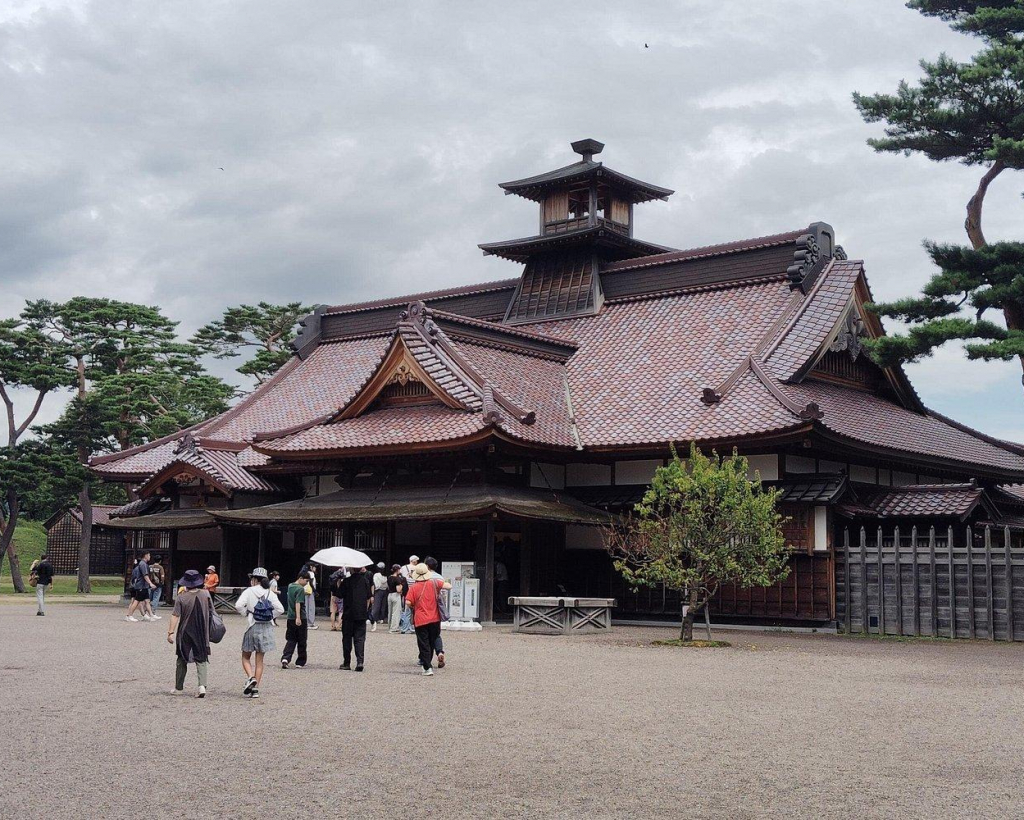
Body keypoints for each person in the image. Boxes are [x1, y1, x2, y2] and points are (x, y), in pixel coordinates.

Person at [234, 567, 284, 699]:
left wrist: (246, 613)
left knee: (246, 656)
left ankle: (251, 677)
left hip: (252, 625)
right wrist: (270, 616)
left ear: (254, 579)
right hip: (266, 627)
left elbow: (238, 605)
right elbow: (280, 609)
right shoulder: (270, 593)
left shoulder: (249, 591)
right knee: (260, 661)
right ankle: (255, 689)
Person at [167, 569, 213, 698]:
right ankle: (202, 686)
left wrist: (170, 632)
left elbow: (175, 615)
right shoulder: (206, 594)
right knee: (201, 658)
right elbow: (211, 611)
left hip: (185, 631)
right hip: (202, 631)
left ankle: (179, 687)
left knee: (182, 658)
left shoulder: (181, 597)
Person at [405, 563, 451, 676]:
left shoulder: (414, 588)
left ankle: (427, 667)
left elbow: (408, 602)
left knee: (423, 643)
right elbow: (448, 586)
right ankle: (432, 659)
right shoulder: (434, 583)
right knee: (432, 641)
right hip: (435, 618)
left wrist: (414, 606)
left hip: (420, 619)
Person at [338, 565, 373, 672]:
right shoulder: (365, 581)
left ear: (352, 569)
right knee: (360, 639)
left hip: (348, 613)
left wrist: (339, 582)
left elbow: (339, 594)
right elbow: (369, 596)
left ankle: (347, 662)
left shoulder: (346, 581)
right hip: (361, 614)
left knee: (347, 638)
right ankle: (360, 661)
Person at [281, 570, 311, 669]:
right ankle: (300, 661)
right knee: (302, 640)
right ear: (301, 578)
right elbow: (298, 603)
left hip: (290, 616)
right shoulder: (300, 589)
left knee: (291, 639)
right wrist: (298, 617)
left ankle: (286, 657)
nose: (306, 583)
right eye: (306, 581)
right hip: (300, 617)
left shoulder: (290, 586)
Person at [423, 556, 447, 667]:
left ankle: (424, 658)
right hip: (436, 609)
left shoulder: (424, 577)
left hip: (424, 608)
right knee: (436, 634)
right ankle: (440, 652)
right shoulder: (440, 578)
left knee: (424, 635)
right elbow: (444, 594)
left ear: (427, 566)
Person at [126, 551, 158, 622]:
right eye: (149, 555)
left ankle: (151, 615)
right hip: (141, 585)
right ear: (145, 555)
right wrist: (150, 583)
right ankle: (129, 615)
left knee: (147, 600)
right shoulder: (143, 564)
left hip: (144, 586)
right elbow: (145, 575)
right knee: (137, 601)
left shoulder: (143, 564)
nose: (150, 557)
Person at [370, 562, 388, 632]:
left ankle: (375, 618)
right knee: (381, 605)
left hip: (379, 590)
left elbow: (377, 584)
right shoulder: (384, 576)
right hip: (382, 590)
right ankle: (379, 618)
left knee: (377, 606)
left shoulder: (376, 575)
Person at [386, 565, 405, 633]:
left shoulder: (389, 577)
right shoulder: (397, 578)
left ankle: (390, 626)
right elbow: (398, 590)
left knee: (390, 612)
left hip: (390, 595)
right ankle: (394, 628)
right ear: (397, 570)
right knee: (396, 612)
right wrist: (402, 584)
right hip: (396, 595)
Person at [329, 567, 348, 631]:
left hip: (333, 596)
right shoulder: (342, 579)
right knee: (341, 612)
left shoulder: (332, 579)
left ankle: (333, 625)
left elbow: (331, 590)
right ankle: (339, 626)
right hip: (340, 597)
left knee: (333, 612)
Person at [304, 563, 318, 629]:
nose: (315, 568)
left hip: (305, 591)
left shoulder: (305, 573)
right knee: (311, 607)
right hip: (310, 591)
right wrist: (315, 591)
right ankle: (310, 623)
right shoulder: (311, 573)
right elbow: (311, 583)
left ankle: (306, 622)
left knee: (306, 607)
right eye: (314, 567)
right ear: (311, 567)